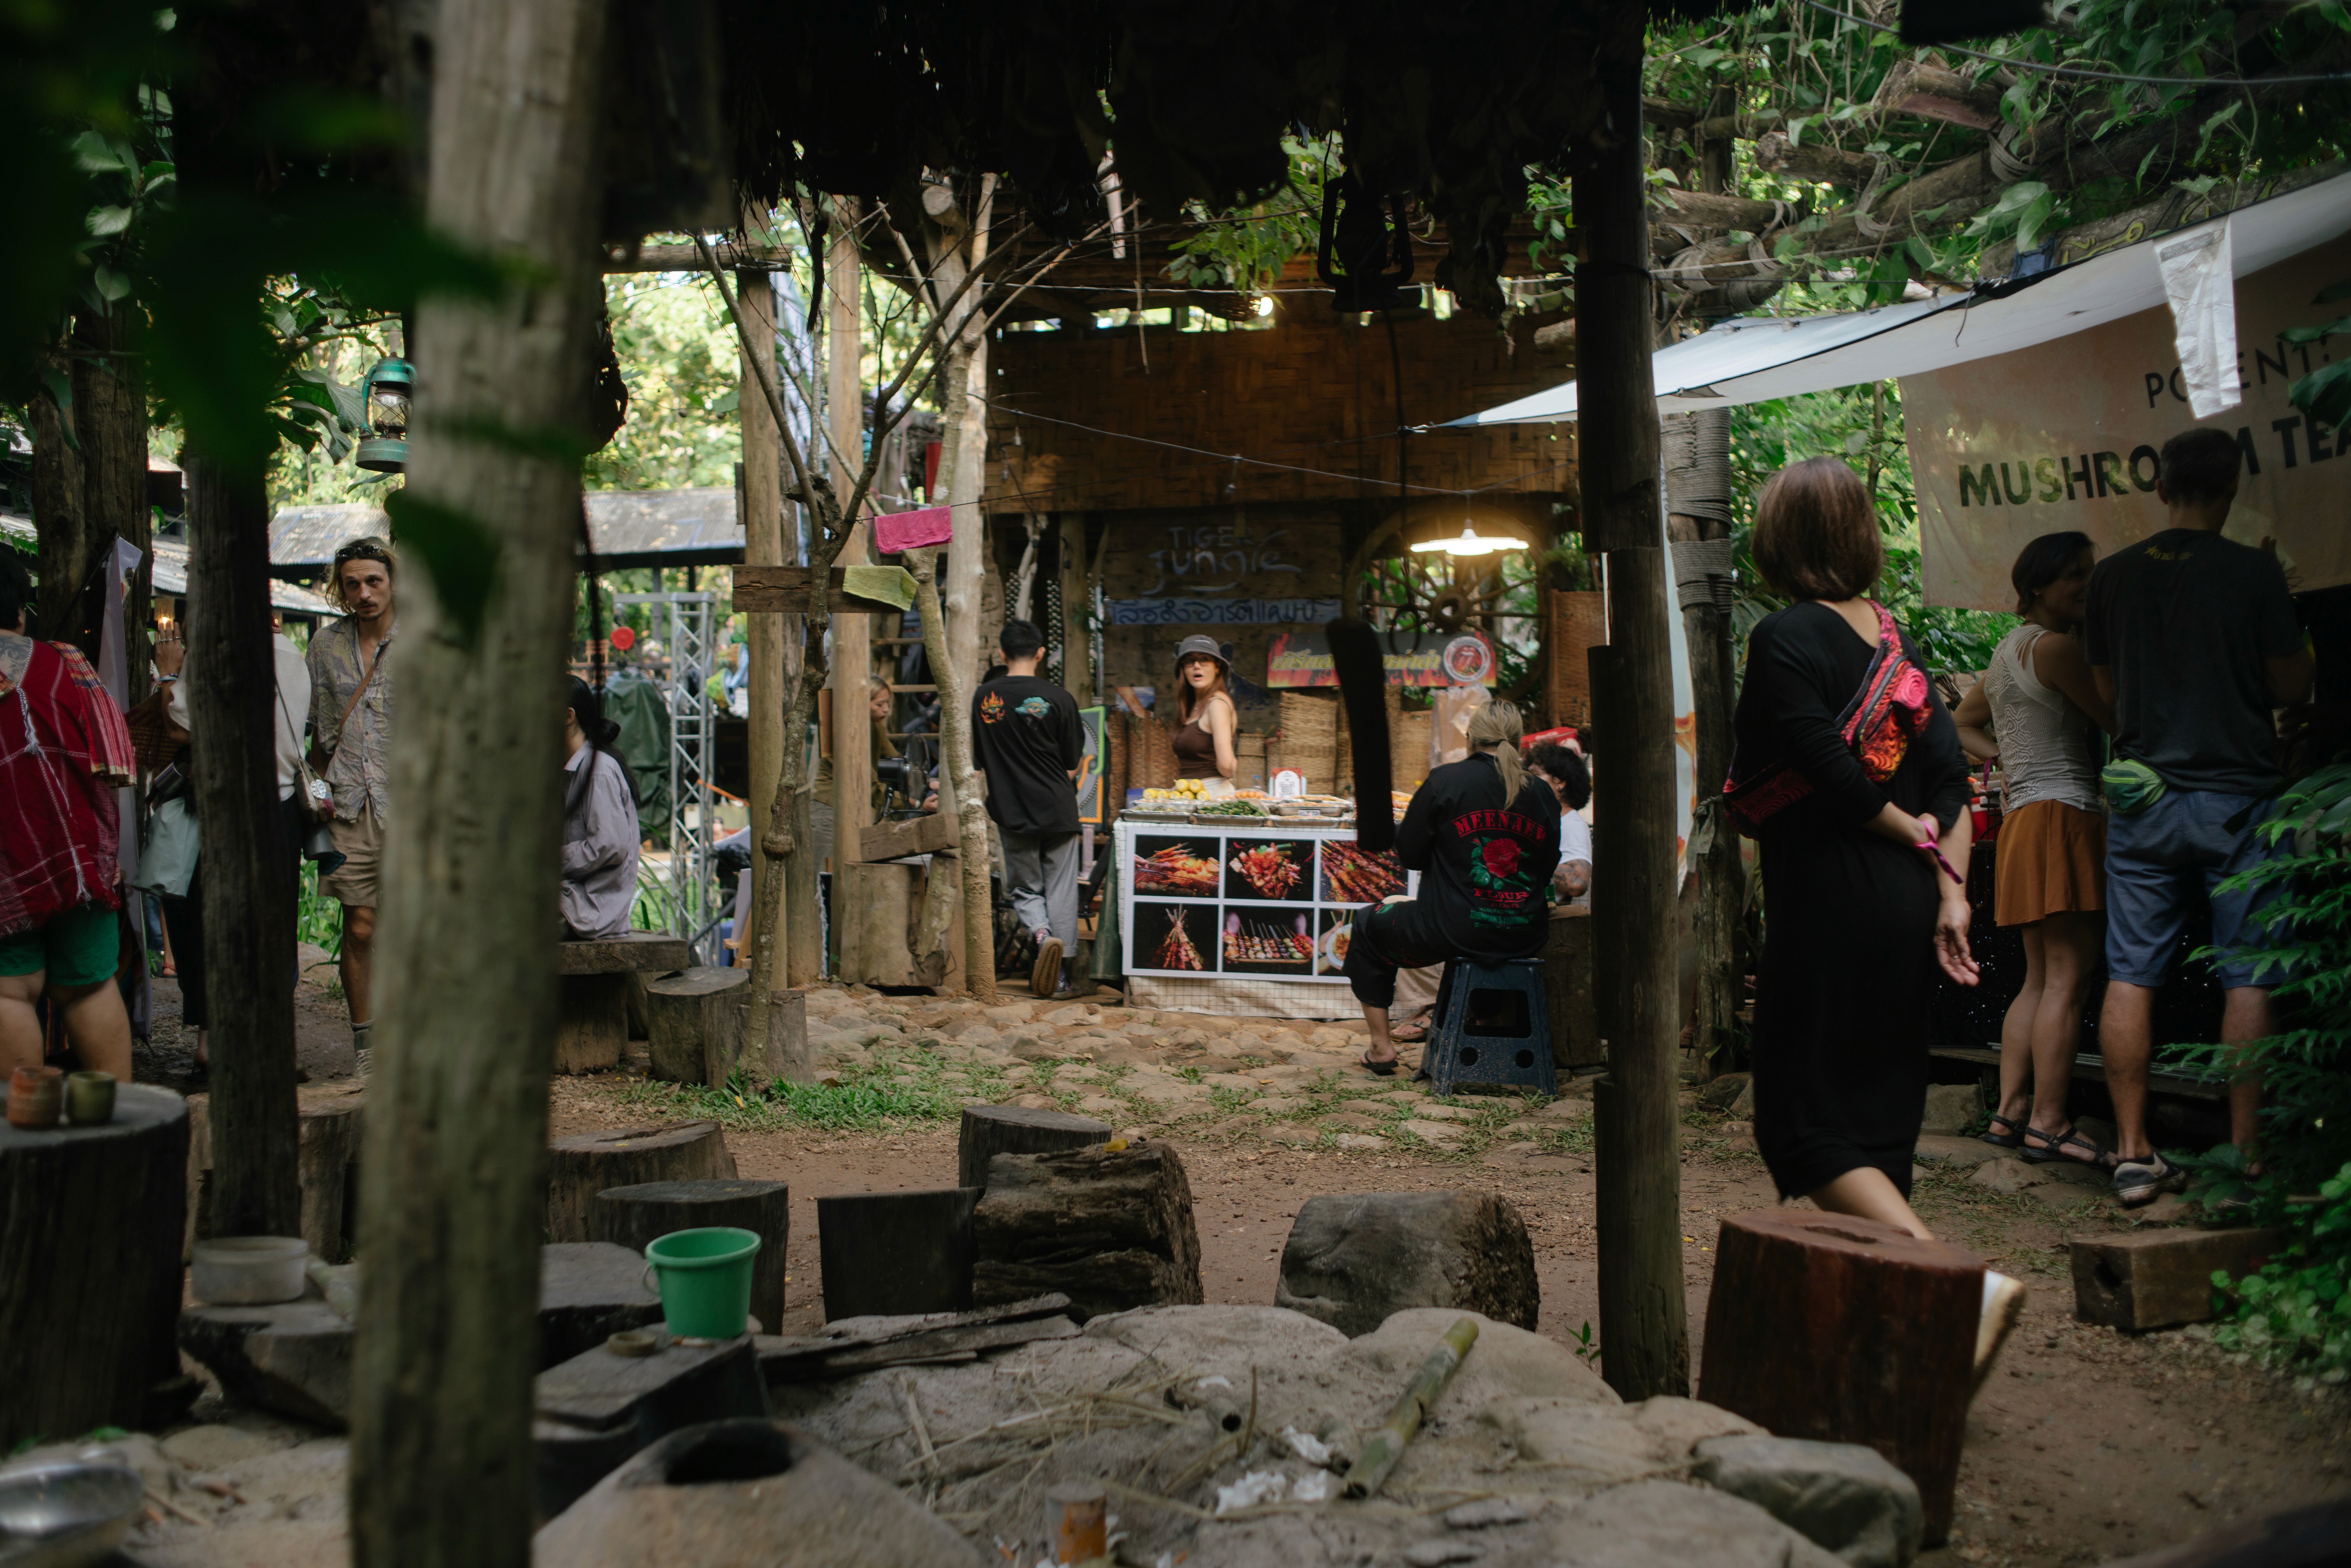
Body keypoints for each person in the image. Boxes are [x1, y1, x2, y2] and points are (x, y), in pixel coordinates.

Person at [1727, 457, 1978, 1241]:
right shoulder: (1893, 647)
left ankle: (1939, 1276)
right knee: (1878, 1116)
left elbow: (1824, 767)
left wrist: (1903, 830)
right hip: (1908, 906)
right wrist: (1951, 894)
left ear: (1778, 539)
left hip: (1831, 900)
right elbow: (1952, 785)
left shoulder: (1783, 636)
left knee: (1798, 1123)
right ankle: (1901, 1317)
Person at [2083, 427, 2315, 1207]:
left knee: (2131, 971)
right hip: (2238, 799)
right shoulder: (2253, 573)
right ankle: (2244, 1162)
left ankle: (2133, 1154)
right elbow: (2290, 687)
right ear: (2232, 489)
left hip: (2144, 801)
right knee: (2247, 973)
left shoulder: (2111, 578)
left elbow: (2109, 696)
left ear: (2162, 486)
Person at [1952, 532, 2116, 1170]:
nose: (2085, 585)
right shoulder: (2055, 648)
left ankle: (2010, 1112)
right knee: (2067, 982)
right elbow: (2118, 720)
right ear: (2039, 586)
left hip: (2024, 819)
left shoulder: (2004, 652)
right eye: (2075, 575)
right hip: (2064, 815)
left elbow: (1960, 722)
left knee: (2038, 978)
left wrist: (2007, 762)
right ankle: (2050, 1122)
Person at [1348, 700, 1560, 1075]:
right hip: (1524, 933)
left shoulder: (1446, 780)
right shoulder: (1542, 793)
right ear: (1519, 742)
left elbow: (1410, 855)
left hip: (1448, 931)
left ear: (1470, 739)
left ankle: (1381, 1050)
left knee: (1367, 924)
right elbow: (1545, 869)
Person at [153, 611, 315, 1073]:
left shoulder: (211, 653)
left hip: (222, 807)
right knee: (272, 926)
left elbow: (180, 728)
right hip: (280, 809)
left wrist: (169, 671)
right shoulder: (292, 656)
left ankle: (210, 1043)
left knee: (205, 920)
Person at [0, 550, 137, 1081]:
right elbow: (115, 757)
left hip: (8, 864)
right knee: (89, 986)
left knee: (10, 990)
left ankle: (23, 1140)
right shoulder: (70, 665)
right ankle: (123, 1130)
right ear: (20, 611)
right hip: (81, 861)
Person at [306, 536, 397, 1071]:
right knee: (361, 925)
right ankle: (367, 1045)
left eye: (374, 581)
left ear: (393, 581)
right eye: (353, 583)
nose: (364, 593)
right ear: (341, 590)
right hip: (348, 801)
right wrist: (316, 794)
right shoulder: (325, 646)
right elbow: (319, 730)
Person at [971, 619, 1084, 999]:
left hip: (1012, 809)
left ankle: (1040, 935)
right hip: (1058, 807)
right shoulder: (1060, 698)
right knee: (1062, 889)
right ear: (1040, 654)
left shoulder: (985, 698)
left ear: (1001, 654)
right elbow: (1071, 762)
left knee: (1025, 888)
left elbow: (979, 760)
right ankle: (1062, 974)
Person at [561, 676, 642, 940]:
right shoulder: (573, 771)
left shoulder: (598, 771)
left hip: (589, 913)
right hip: (571, 902)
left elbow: (608, 846)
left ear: (567, 716)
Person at [1527, 740, 1593, 905]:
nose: (1527, 782)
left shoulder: (1572, 824)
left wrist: (1523, 859)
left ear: (1560, 783)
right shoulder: (1554, 822)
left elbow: (1577, 883)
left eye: (1534, 775)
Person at [1170, 634, 1237, 782]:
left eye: (1204, 660)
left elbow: (1227, 766)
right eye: (1190, 661)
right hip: (1189, 795)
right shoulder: (1195, 705)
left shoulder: (1217, 705)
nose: (1197, 666)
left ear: (1217, 667)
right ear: (1183, 669)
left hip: (1209, 797)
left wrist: (1230, 765)